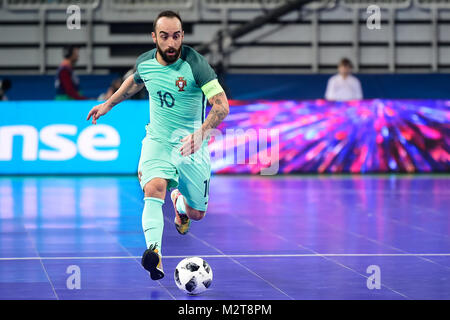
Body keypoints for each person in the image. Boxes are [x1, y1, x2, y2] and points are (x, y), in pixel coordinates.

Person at [86, 11, 229, 280]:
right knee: (153, 188)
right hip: (157, 140)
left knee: (197, 214)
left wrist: (201, 134)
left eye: (176, 36)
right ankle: (155, 254)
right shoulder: (145, 63)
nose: (171, 43)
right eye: (164, 36)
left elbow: (221, 106)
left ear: (182, 36)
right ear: (154, 38)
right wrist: (107, 104)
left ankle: (180, 205)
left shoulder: (196, 65)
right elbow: (134, 82)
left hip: (191, 144)